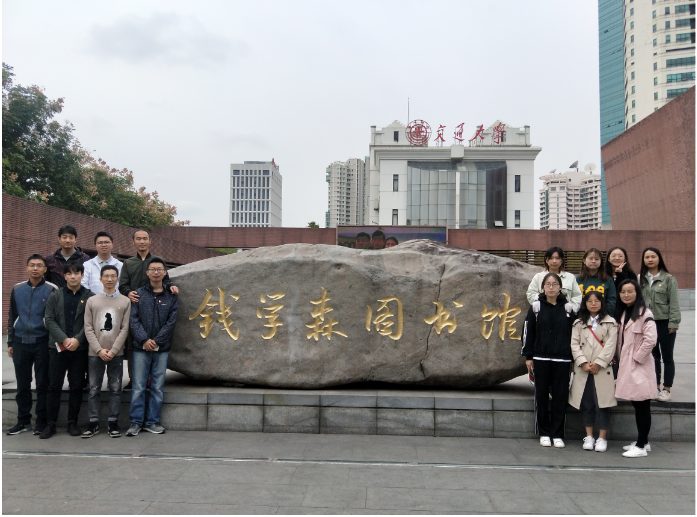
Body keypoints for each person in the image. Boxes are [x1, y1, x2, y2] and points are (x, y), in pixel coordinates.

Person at [521, 272, 576, 448]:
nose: (551, 287)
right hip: (541, 358)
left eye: (555, 284)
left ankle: (558, 434)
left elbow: (574, 336)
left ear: (560, 288)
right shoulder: (536, 307)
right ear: (543, 287)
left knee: (561, 397)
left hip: (563, 360)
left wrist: (573, 358)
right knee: (542, 396)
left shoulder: (568, 309)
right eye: (548, 284)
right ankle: (544, 432)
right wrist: (529, 356)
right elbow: (528, 332)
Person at [119, 229, 178, 390]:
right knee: (134, 342)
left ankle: (151, 378)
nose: (142, 241)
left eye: (145, 238)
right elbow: (122, 285)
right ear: (133, 242)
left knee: (155, 340)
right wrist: (128, 292)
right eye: (138, 239)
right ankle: (134, 378)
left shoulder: (157, 261)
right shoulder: (128, 263)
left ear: (150, 241)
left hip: (156, 306)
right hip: (136, 305)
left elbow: (166, 280)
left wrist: (172, 286)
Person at [41, 263, 95, 439]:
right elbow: (49, 319)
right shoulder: (55, 295)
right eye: (69, 273)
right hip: (57, 347)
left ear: (82, 275)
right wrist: (64, 339)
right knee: (54, 385)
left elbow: (91, 322)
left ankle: (72, 422)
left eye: (76, 273)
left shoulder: (90, 297)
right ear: (64, 276)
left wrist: (78, 339)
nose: (73, 276)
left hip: (80, 349)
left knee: (77, 386)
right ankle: (50, 423)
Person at [126, 257, 179, 436]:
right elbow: (133, 320)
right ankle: (135, 422)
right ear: (147, 273)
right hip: (140, 348)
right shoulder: (138, 294)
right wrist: (144, 340)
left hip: (161, 348)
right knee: (138, 386)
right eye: (153, 269)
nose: (156, 272)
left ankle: (152, 421)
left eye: (159, 269)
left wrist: (157, 340)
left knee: (157, 386)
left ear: (165, 273)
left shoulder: (171, 295)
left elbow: (171, 321)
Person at [5, 255, 57, 436]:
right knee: (22, 384)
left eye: (39, 265)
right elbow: (12, 316)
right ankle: (23, 420)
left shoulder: (52, 289)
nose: (35, 268)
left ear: (45, 269)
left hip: (42, 342)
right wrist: (10, 341)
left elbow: (54, 319)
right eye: (32, 265)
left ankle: (41, 421)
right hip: (20, 342)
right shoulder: (17, 289)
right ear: (26, 268)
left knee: (42, 383)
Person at [82, 265, 131, 439]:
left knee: (116, 389)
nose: (109, 279)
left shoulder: (125, 301)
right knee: (94, 388)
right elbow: (88, 327)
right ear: (100, 279)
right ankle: (93, 422)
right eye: (106, 276)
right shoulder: (92, 301)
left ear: (117, 279)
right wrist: (99, 349)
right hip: (95, 353)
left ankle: (113, 422)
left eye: (113, 276)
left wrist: (114, 350)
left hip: (116, 353)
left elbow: (125, 328)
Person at [568, 291, 617, 453]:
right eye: (590, 301)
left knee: (603, 404)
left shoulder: (610, 323)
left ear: (602, 302)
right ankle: (589, 436)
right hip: (584, 369)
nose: (593, 304)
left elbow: (611, 345)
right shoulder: (578, 323)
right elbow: (574, 344)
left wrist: (599, 363)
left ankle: (602, 437)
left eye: (596, 301)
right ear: (585, 304)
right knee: (587, 403)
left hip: (602, 369)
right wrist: (582, 362)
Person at [615, 278, 658, 458]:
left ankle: (640, 446)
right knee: (637, 403)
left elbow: (651, 339)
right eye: (623, 292)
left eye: (630, 291)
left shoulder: (644, 313)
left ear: (637, 293)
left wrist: (637, 358)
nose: (626, 295)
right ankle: (644, 441)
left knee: (642, 405)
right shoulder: (625, 312)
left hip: (639, 366)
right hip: (628, 366)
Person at [640, 247, 680, 402]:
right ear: (643, 260)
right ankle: (655, 387)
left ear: (659, 258)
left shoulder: (669, 279)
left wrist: (673, 322)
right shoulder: (641, 279)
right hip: (647, 323)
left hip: (665, 322)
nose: (650, 259)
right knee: (653, 356)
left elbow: (674, 303)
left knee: (667, 357)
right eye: (647, 257)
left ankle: (666, 389)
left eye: (653, 256)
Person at [526, 246, 582, 312]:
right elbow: (530, 294)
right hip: (544, 313)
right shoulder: (538, 277)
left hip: (565, 314)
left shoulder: (570, 277)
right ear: (546, 260)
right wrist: (543, 302)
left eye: (557, 258)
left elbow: (577, 296)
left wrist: (570, 310)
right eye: (551, 258)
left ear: (562, 260)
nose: (554, 261)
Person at [576, 248, 616, 317]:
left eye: (597, 259)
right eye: (590, 258)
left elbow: (611, 300)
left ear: (601, 262)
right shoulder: (577, 279)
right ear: (584, 260)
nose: (593, 261)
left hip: (603, 317)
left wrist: (604, 316)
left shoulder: (607, 279)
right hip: (581, 317)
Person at [82, 231, 123, 296]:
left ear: (112, 245)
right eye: (100, 243)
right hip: (92, 300)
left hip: (114, 300)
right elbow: (84, 284)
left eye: (106, 242)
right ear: (95, 246)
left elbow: (121, 285)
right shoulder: (87, 265)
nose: (103, 245)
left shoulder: (120, 265)